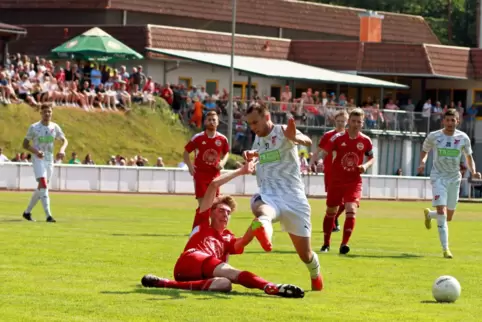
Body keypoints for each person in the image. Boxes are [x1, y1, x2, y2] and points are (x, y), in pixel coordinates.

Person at [141, 161, 304, 298]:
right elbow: (213, 185)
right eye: (221, 210)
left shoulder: (227, 238)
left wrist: (256, 225)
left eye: (228, 212)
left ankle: (165, 283)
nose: (225, 214)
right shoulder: (202, 222)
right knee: (232, 273)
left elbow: (242, 242)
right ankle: (271, 287)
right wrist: (241, 171)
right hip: (191, 259)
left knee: (224, 284)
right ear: (211, 212)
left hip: (194, 274)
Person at [242, 102, 323, 291]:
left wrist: (296, 137)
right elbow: (264, 158)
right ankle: (265, 235)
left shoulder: (284, 130)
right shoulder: (258, 138)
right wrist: (252, 158)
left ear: (266, 117)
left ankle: (315, 272)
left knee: (305, 254)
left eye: (255, 122)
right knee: (260, 207)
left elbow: (308, 141)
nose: (253, 127)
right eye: (250, 124)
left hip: (294, 198)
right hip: (269, 193)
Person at [418, 108, 481, 259]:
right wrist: (422, 162)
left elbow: (469, 157)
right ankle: (446, 249)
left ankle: (429, 215)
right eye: (447, 120)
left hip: (454, 178)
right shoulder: (434, 136)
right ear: (443, 121)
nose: (450, 123)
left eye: (453, 120)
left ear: (458, 121)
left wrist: (473, 171)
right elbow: (424, 150)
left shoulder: (463, 138)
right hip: (438, 176)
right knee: (442, 212)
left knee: (449, 216)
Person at [318, 108, 375, 254]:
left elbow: (372, 157)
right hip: (336, 180)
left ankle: (344, 244)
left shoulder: (366, 140)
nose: (356, 124)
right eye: (353, 121)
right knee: (331, 210)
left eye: (359, 122)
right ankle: (326, 244)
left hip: (354, 181)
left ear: (363, 123)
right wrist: (319, 161)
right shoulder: (337, 137)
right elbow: (324, 152)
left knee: (351, 209)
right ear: (348, 121)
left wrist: (365, 166)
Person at [22, 104, 68, 222]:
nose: (47, 114)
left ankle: (27, 212)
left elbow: (65, 140)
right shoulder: (34, 127)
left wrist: (62, 150)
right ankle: (48, 215)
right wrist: (36, 152)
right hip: (38, 159)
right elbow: (25, 144)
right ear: (41, 113)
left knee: (42, 187)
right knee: (43, 183)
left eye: (49, 112)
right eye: (45, 112)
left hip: (49, 159)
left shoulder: (55, 127)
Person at [183, 111, 230, 228]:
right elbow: (185, 152)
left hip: (215, 176)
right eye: (209, 119)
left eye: (214, 120)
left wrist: (222, 162)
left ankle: (207, 229)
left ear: (218, 122)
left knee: (214, 204)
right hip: (200, 175)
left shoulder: (222, 139)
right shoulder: (198, 138)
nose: (211, 122)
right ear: (205, 122)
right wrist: (189, 166)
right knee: (203, 204)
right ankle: (201, 229)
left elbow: (227, 153)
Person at [311, 110, 348, 233]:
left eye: (343, 121)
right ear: (334, 121)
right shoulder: (328, 135)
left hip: (346, 172)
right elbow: (318, 150)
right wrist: (312, 162)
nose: (340, 124)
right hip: (331, 171)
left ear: (347, 122)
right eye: (338, 121)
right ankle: (333, 222)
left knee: (346, 200)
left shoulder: (350, 136)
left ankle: (333, 219)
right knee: (333, 199)